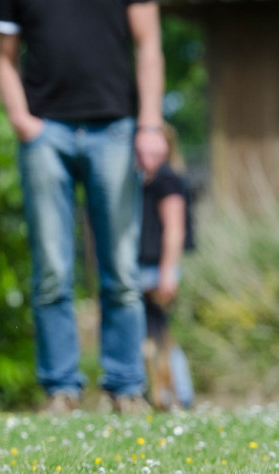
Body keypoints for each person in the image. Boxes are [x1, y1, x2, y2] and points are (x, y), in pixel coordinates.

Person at [0, 0, 168, 413]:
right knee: (53, 270)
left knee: (121, 270)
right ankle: (61, 390)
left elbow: (149, 44)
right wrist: (22, 120)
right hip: (45, 133)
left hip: (114, 129)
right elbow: (5, 57)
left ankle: (126, 387)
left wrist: (149, 124)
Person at [137, 124, 195, 410]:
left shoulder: (167, 179)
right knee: (151, 337)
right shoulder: (146, 181)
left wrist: (167, 272)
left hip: (155, 270)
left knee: (160, 338)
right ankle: (163, 395)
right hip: (144, 267)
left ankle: (178, 396)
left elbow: (174, 229)